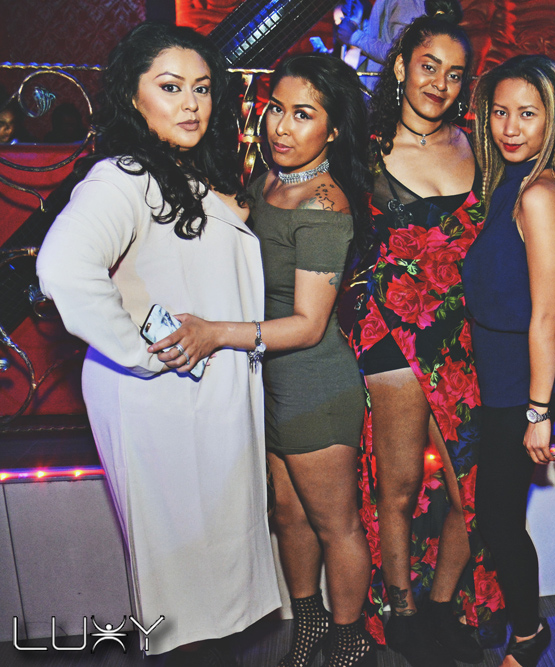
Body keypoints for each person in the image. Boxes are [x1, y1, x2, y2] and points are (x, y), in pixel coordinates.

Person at [35, 22, 280, 662]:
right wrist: (142, 354)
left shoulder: (179, 169)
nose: (191, 103)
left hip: (202, 395)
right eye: (170, 87)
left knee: (212, 582)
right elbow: (62, 267)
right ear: (132, 96)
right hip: (161, 400)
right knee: (185, 587)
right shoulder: (121, 176)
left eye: (202, 88)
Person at [148, 53, 376, 667]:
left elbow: (308, 325)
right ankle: (309, 622)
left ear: (333, 129)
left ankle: (349, 640)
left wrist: (213, 334)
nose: (281, 126)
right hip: (266, 382)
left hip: (313, 385)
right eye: (277, 108)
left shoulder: (324, 205)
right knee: (289, 516)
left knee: (335, 524)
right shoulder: (271, 179)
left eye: (303, 115)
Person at [344, 2, 498, 665]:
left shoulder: (480, 147)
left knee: (473, 488)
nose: (440, 83)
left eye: (455, 74)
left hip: (466, 336)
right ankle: (401, 607)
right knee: (400, 484)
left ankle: (441, 603)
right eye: (429, 66)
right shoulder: (363, 150)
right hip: (391, 332)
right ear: (402, 66)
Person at [462, 54, 555, 667]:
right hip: (498, 380)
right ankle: (519, 625)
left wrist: (540, 412)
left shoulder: (538, 193)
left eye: (528, 114)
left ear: (553, 121)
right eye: (500, 112)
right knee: (497, 515)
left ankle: (532, 634)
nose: (511, 127)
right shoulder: (503, 186)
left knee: (499, 519)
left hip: (520, 384)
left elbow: (547, 313)